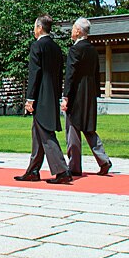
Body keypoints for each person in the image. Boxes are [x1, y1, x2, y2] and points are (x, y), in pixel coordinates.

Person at [16, 15, 71, 184]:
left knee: (46, 133)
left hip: (41, 96)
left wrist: (30, 99)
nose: (33, 30)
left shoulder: (37, 46)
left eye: (34, 26)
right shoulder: (56, 47)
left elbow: (35, 73)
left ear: (39, 28)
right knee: (38, 133)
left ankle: (62, 170)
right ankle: (33, 170)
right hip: (52, 93)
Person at [63, 17, 112, 177]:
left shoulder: (75, 50)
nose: (71, 31)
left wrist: (66, 96)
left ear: (78, 31)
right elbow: (97, 73)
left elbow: (70, 75)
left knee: (73, 129)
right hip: (89, 94)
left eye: (73, 28)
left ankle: (75, 165)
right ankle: (103, 159)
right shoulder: (92, 49)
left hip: (76, 94)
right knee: (89, 128)